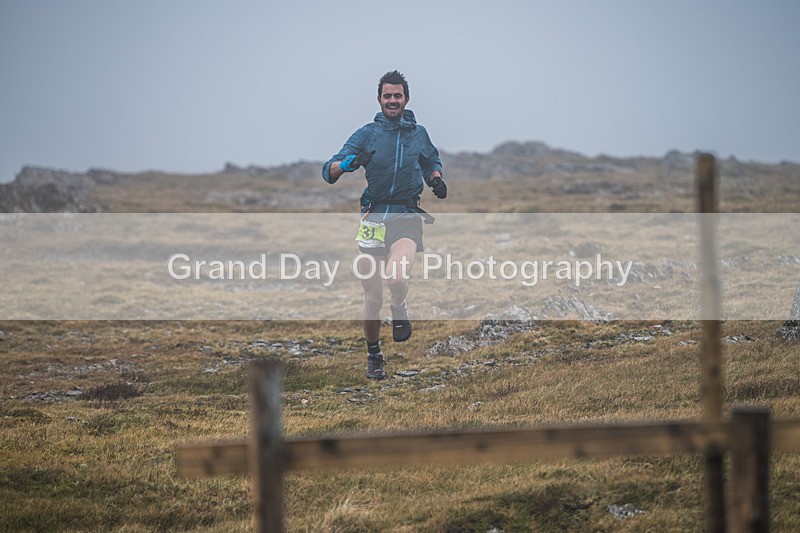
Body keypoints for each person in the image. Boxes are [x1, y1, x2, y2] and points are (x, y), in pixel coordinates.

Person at [322, 70, 447, 380]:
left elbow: (431, 159)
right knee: (372, 295)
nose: (393, 100)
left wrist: (435, 178)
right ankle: (374, 354)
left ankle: (400, 307)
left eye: (398, 95)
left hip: (406, 215)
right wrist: (350, 163)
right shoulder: (366, 134)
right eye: (387, 96)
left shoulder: (418, 133)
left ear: (406, 99)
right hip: (373, 217)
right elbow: (329, 171)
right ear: (379, 100)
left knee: (396, 276)